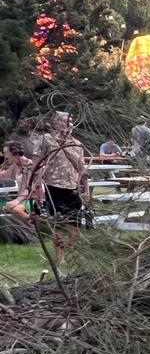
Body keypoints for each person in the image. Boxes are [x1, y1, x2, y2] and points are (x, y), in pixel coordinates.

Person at [31, 111, 89, 265]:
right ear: (55, 123)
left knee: (74, 227)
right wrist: (36, 186)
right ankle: (60, 259)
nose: (67, 124)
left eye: (70, 121)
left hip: (72, 188)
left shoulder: (76, 144)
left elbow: (82, 168)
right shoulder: (46, 140)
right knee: (58, 226)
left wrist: (86, 189)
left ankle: (75, 257)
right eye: (63, 121)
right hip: (53, 187)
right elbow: (36, 164)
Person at [1, 142, 34, 221]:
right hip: (19, 198)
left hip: (31, 199)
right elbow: (3, 175)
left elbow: (31, 188)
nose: (5, 156)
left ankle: (32, 221)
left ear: (14, 153)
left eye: (6, 153)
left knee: (14, 208)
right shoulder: (15, 165)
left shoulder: (30, 165)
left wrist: (16, 201)